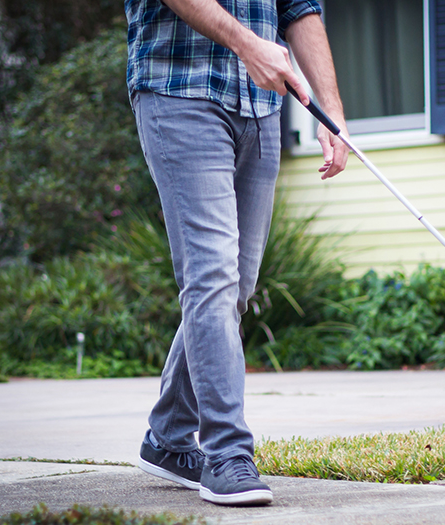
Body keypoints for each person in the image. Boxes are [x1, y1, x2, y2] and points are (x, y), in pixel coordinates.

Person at [124, 0, 348, 507]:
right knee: (213, 279)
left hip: (261, 106)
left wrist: (332, 111)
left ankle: (166, 435)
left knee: (236, 288)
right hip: (179, 89)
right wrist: (248, 44)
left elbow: (299, 7)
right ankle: (226, 453)